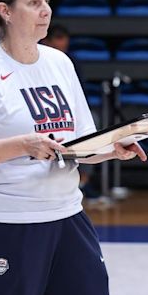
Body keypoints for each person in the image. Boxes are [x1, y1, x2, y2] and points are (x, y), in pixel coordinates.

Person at [0, 0, 147, 295]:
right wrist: (23, 145)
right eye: (35, 2)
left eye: (48, 1)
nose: (46, 11)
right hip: (4, 220)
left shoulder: (60, 63)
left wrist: (112, 147)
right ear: (6, 11)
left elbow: (78, 144)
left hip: (67, 215)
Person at [44, 23, 100, 199]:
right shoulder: (39, 59)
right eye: (58, 38)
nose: (62, 44)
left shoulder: (70, 61)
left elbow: (79, 93)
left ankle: (83, 181)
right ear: (47, 40)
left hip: (67, 109)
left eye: (64, 39)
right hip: (44, 109)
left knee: (93, 120)